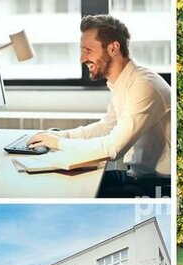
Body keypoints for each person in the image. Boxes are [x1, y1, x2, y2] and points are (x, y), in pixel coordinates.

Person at [28, 14, 171, 198]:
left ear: (113, 48)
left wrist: (57, 143)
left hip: (157, 185)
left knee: (72, 193)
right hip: (136, 176)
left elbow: (113, 149)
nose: (82, 58)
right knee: (62, 183)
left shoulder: (144, 85)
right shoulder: (122, 82)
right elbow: (106, 127)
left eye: (88, 50)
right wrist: (62, 135)